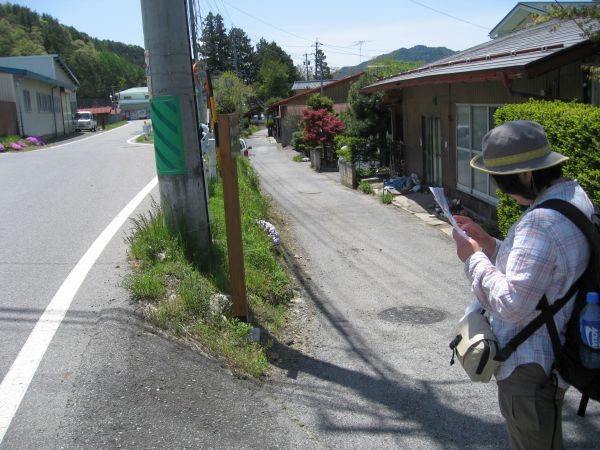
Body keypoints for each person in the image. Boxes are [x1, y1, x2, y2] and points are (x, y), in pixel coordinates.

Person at [451, 120, 594, 450]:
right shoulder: (572, 197)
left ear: (528, 174)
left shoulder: (540, 223)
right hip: (555, 355)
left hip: (529, 367)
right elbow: (543, 270)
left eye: (503, 182)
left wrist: (473, 258)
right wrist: (489, 244)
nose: (503, 190)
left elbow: (511, 304)